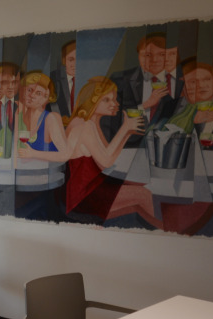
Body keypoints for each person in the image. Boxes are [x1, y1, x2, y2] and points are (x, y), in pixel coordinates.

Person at [64, 77, 161, 227]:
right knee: (144, 195)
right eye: (107, 100)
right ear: (92, 100)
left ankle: (152, 230)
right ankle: (156, 233)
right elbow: (106, 161)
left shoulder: (92, 122)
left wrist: (127, 132)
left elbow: (106, 159)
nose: (115, 104)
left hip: (91, 188)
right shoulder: (84, 125)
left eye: (114, 99)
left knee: (142, 187)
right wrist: (124, 128)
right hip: (84, 197)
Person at [15, 71, 71, 162]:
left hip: (47, 170)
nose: (32, 95)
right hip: (24, 168)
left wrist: (33, 154)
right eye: (29, 90)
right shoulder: (18, 116)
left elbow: (65, 155)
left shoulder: (50, 118)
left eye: (38, 93)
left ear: (46, 98)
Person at [50, 40, 77, 119]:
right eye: (71, 60)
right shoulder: (52, 78)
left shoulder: (90, 81)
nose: (75, 64)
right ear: (63, 60)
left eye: (79, 59)